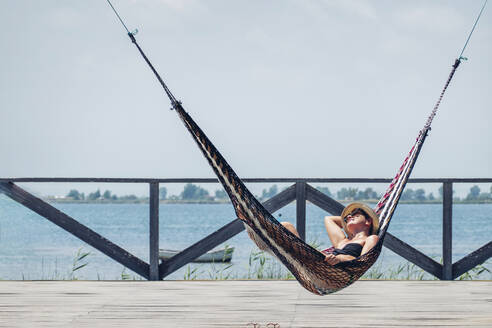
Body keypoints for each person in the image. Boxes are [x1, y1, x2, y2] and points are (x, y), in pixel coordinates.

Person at [280, 202, 379, 265]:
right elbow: (328, 219)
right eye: (347, 217)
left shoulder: (370, 238)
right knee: (286, 226)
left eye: (355, 215)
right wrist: (349, 223)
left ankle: (266, 240)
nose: (349, 216)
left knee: (285, 227)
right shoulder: (343, 241)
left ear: (368, 221)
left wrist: (340, 259)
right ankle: (266, 239)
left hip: (328, 268)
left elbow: (362, 263)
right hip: (316, 262)